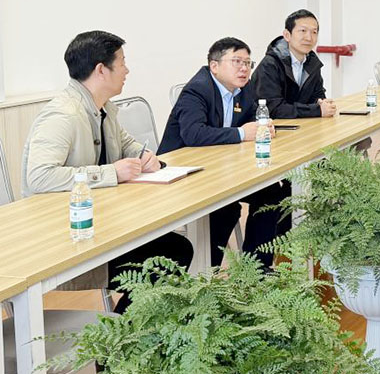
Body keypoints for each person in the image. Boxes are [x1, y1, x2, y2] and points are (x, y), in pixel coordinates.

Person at [22, 31, 193, 312]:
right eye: (122, 63)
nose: (127, 70)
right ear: (101, 70)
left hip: (105, 224)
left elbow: (125, 143)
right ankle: (123, 336)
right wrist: (110, 172)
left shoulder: (104, 108)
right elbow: (40, 177)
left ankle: (131, 330)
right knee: (170, 257)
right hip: (69, 239)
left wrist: (143, 155)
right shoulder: (63, 115)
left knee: (174, 249)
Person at [159, 37, 290, 268]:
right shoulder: (197, 90)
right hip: (183, 173)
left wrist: (263, 126)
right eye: (237, 61)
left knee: (270, 194)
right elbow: (194, 134)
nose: (244, 68)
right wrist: (242, 133)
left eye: (248, 63)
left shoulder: (244, 89)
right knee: (225, 209)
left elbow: (252, 119)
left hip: (219, 169)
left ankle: (256, 269)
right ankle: (206, 276)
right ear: (214, 66)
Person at [252, 9, 337, 119]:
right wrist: (316, 110)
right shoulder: (270, 65)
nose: (309, 38)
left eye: (314, 32)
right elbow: (272, 109)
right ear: (287, 35)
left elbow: (317, 95)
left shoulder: (312, 63)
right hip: (272, 127)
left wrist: (323, 103)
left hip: (300, 124)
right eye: (303, 31)